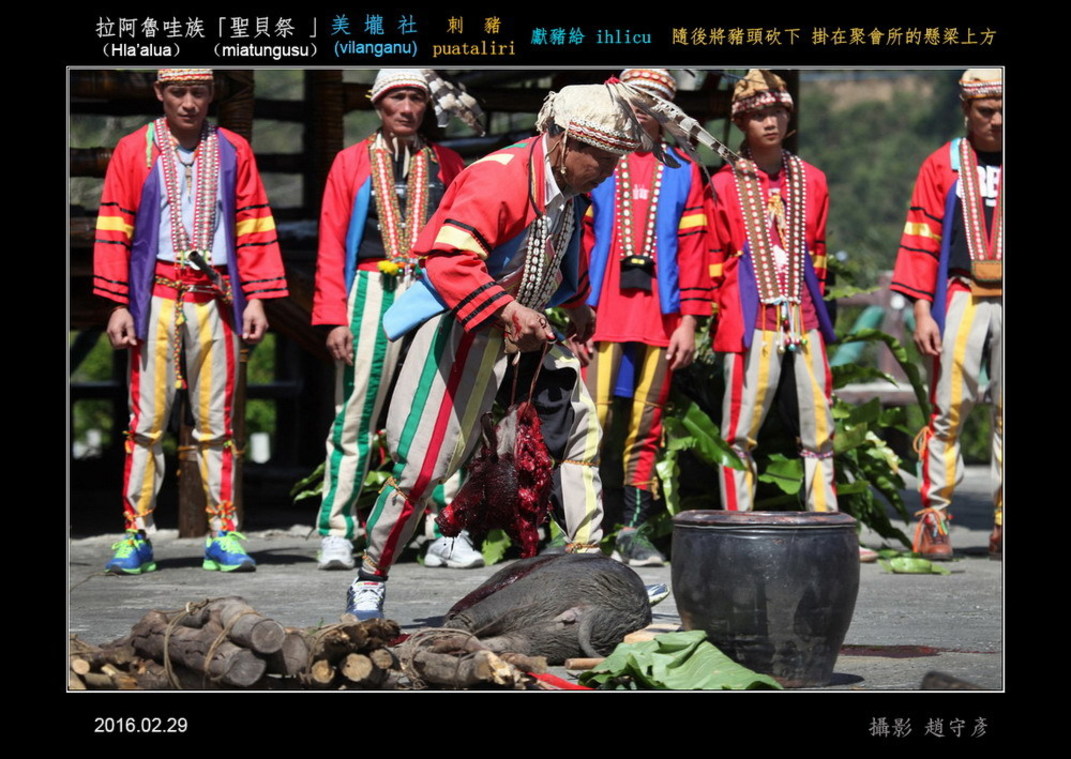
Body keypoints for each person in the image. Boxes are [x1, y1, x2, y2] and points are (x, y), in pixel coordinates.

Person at [344, 81, 655, 620]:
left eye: (616, 159)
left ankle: (591, 576)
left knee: (578, 437)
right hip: (466, 327)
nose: (610, 170)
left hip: (531, 331)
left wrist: (576, 302)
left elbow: (556, 250)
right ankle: (370, 577)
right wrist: (510, 312)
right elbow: (449, 262)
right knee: (423, 467)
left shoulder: (570, 185)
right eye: (603, 158)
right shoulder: (500, 177)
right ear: (565, 141)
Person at [94, 68, 288, 574]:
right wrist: (118, 303)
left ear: (211, 93)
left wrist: (256, 298)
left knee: (216, 421)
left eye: (198, 92)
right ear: (160, 92)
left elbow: (253, 224)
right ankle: (135, 534)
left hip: (215, 299)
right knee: (146, 420)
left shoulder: (233, 150)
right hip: (155, 297)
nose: (188, 102)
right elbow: (114, 226)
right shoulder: (133, 150)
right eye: (178, 91)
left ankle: (224, 533)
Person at [311, 69, 475, 572]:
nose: (407, 108)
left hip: (432, 291)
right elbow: (331, 239)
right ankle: (337, 530)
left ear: (427, 106)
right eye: (397, 98)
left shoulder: (448, 163)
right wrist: (333, 316)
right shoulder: (350, 162)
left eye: (416, 98)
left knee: (441, 410)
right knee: (356, 411)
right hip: (369, 289)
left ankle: (444, 532)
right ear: (378, 103)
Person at [580, 69, 712, 566]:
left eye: (652, 100)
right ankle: (579, 529)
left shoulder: (684, 170)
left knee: (646, 424)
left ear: (667, 110)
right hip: (601, 314)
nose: (641, 107)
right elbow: (578, 238)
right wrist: (575, 306)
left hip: (661, 318)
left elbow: (696, 249)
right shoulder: (598, 158)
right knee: (591, 421)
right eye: (634, 98)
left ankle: (631, 531)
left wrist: (690, 320)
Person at [708, 69, 838, 516]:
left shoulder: (813, 180)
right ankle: (737, 522)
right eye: (759, 114)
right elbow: (714, 257)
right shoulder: (723, 184)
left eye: (778, 112)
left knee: (819, 419)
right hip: (750, 319)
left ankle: (824, 518)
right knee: (740, 425)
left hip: (804, 317)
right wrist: (725, 312)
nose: (770, 122)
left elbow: (817, 250)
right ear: (741, 122)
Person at [890, 69, 1003, 560]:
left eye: (1003, 111)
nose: (997, 120)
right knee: (949, 408)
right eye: (986, 111)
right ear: (965, 109)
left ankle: (1002, 521)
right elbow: (921, 239)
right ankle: (934, 519)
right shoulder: (942, 164)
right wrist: (922, 311)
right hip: (961, 293)